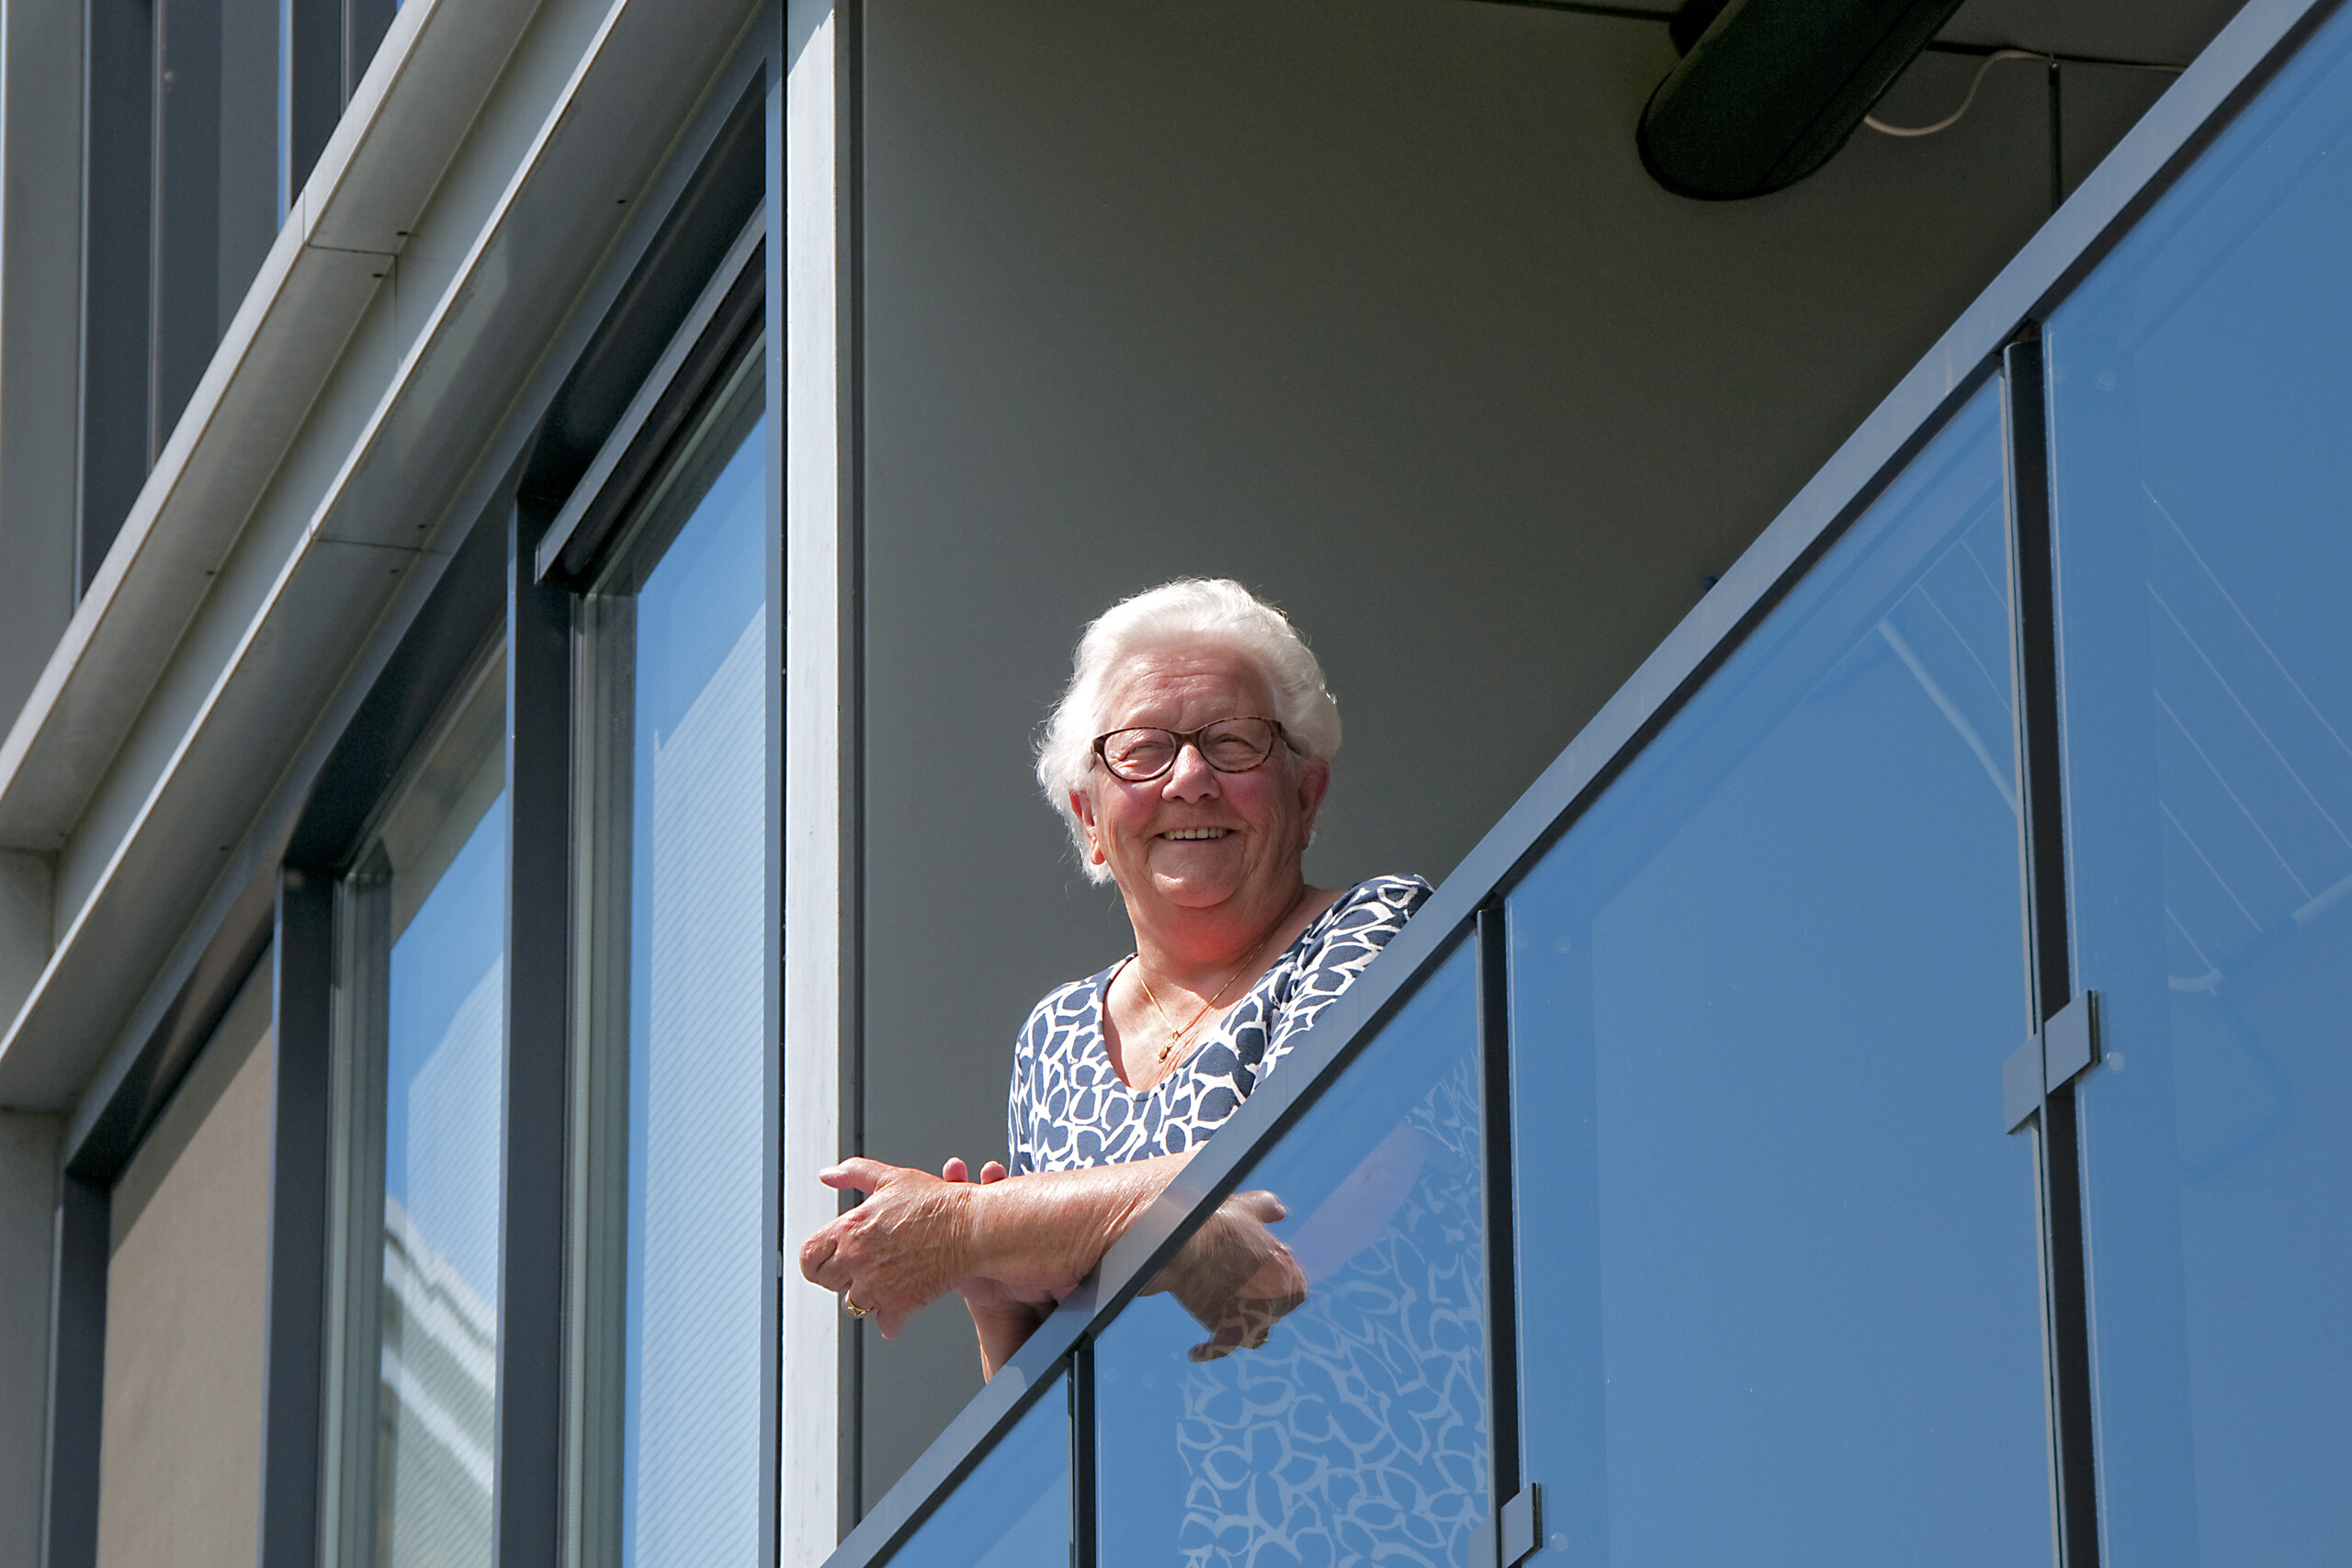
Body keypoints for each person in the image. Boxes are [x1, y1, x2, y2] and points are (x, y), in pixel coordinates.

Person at [797, 578, 1430, 1377]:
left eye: (1233, 741)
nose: (1190, 777)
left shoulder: (1375, 925)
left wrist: (976, 1227)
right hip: (1154, 1465)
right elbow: (1050, 1395)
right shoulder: (1056, 1037)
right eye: (1143, 749)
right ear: (1090, 820)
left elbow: (1291, 1172)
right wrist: (996, 1291)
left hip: (1388, 1445)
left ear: (1306, 796)